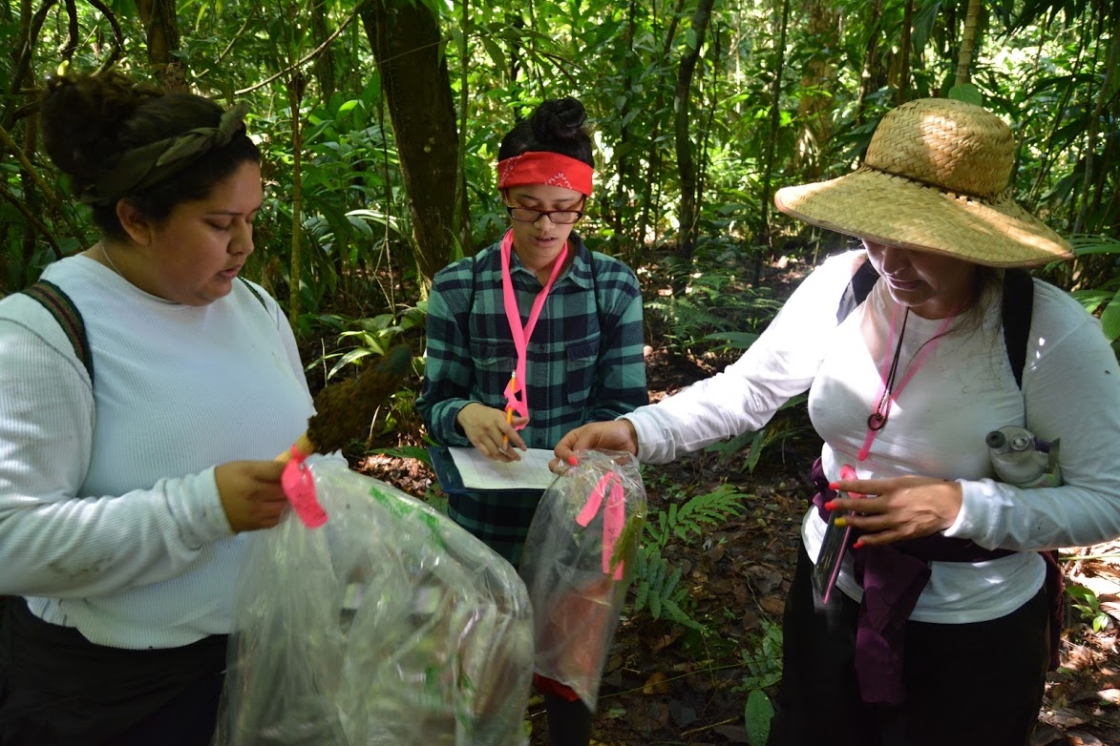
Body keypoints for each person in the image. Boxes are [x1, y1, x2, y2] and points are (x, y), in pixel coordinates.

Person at [555, 97, 1120, 746]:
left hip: (974, 629)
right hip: (832, 591)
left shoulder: (1045, 333)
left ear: (978, 241)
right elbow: (750, 389)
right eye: (877, 233)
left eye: (921, 243)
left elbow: (1108, 497)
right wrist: (638, 431)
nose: (890, 261)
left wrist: (961, 507)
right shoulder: (844, 286)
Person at [0, 69, 314, 745]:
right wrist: (200, 510)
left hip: (266, 667)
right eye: (219, 224)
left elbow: (303, 462)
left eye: (252, 219)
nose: (245, 246)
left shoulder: (254, 309)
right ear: (136, 219)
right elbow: (10, 543)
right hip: (117, 698)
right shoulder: (45, 335)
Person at [416, 96, 648, 745]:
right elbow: (433, 405)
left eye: (564, 210)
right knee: (486, 673)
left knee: (568, 679)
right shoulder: (460, 287)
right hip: (483, 523)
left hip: (578, 518)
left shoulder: (613, 290)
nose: (548, 226)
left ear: (583, 205)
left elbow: (624, 411)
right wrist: (464, 412)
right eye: (531, 208)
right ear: (506, 199)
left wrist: (594, 447)